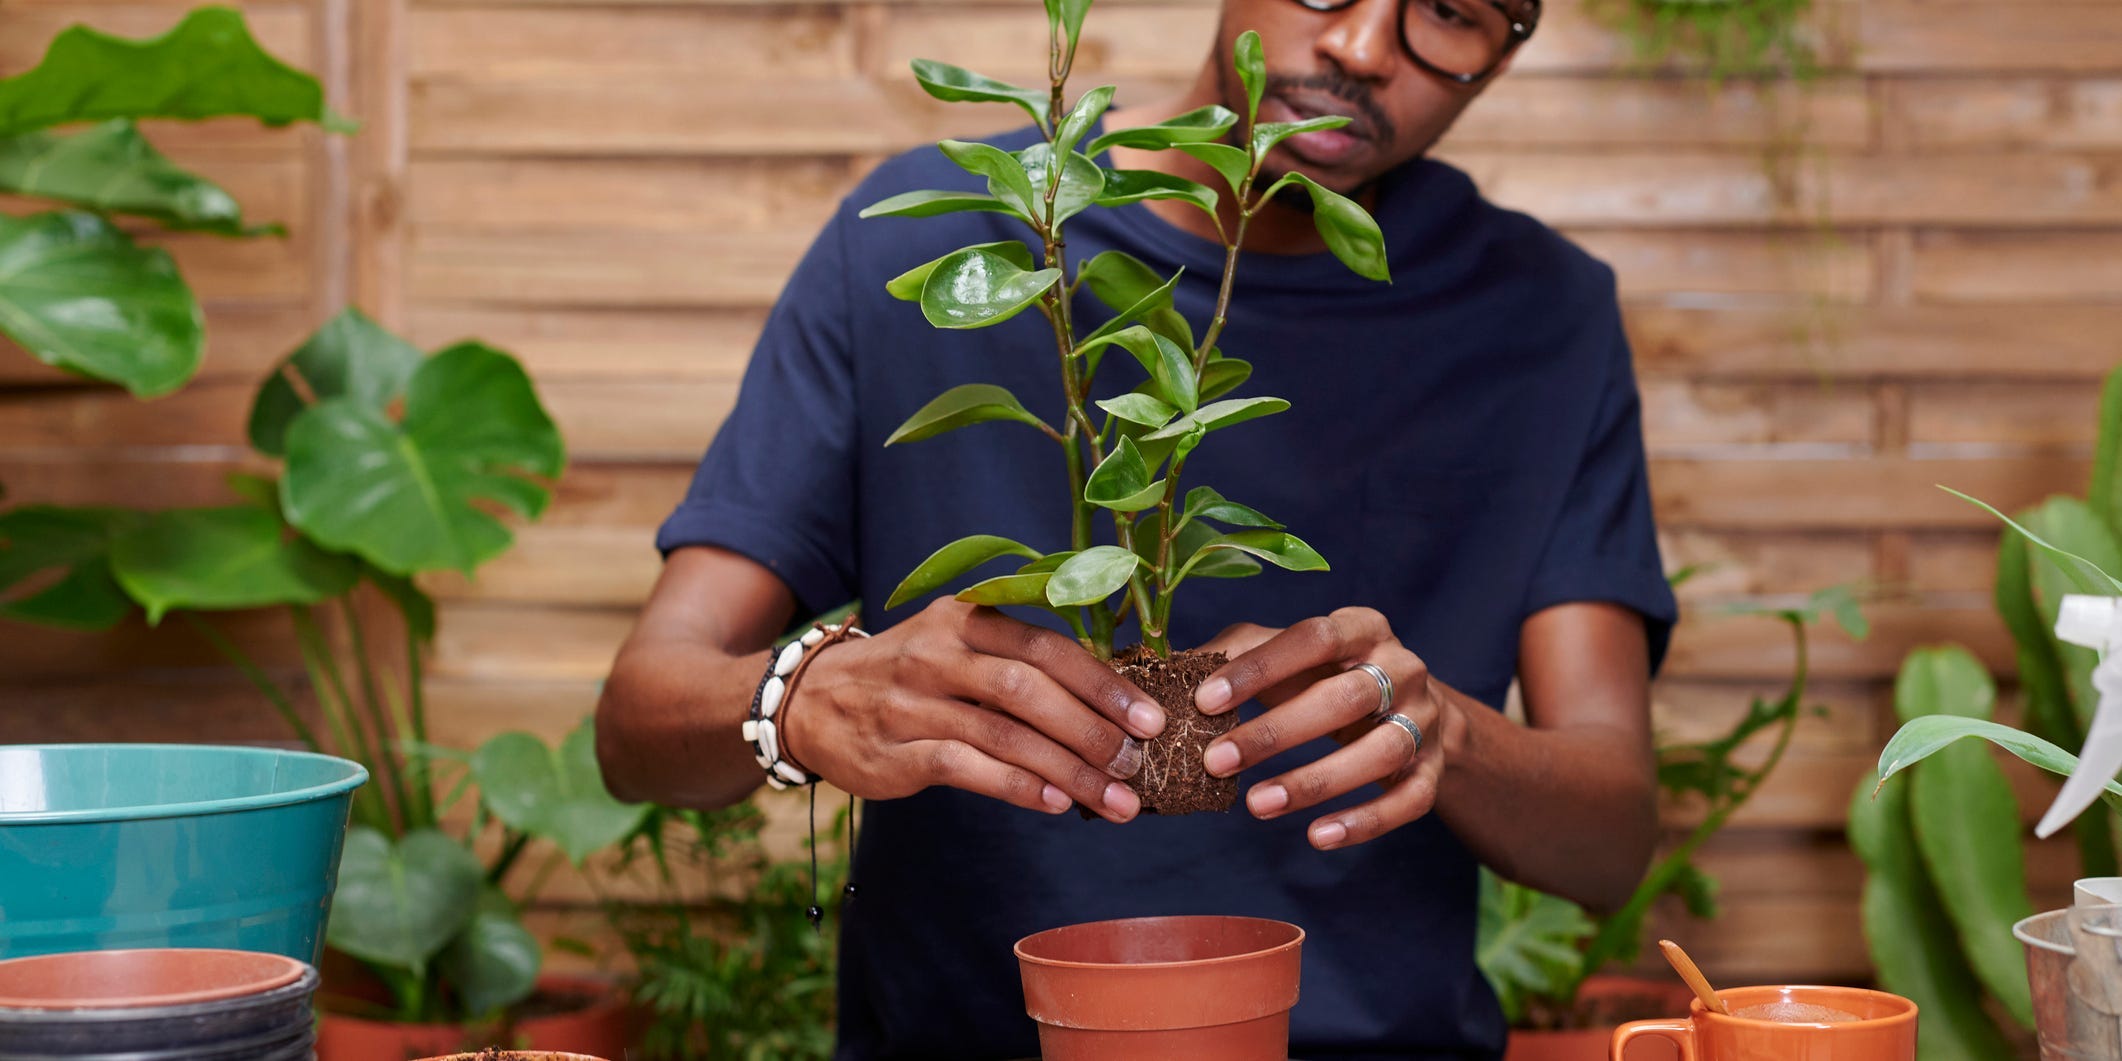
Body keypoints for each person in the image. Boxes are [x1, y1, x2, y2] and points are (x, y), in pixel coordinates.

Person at [596, 0, 1678, 1052]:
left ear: (1500, 55)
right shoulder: (946, 244)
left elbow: (1609, 837)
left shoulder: (1541, 314)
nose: (1356, 42)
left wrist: (1445, 730)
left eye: (1448, 12)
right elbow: (639, 721)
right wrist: (803, 696)